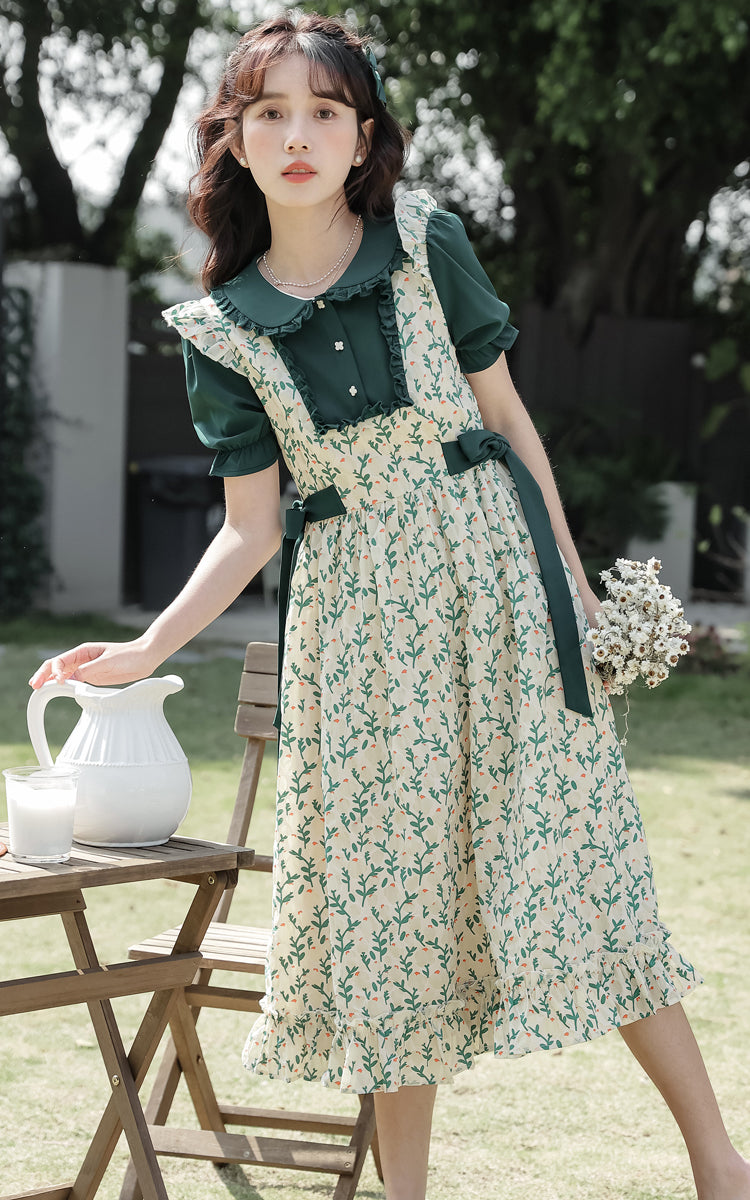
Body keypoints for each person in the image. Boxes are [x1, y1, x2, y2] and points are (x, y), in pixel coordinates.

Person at [30, 13, 748, 1200]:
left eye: (324, 112)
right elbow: (252, 529)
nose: (299, 135)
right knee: (388, 910)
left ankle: (719, 1161)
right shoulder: (220, 329)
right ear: (237, 142)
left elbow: (509, 422)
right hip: (358, 637)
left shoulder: (427, 241)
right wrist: (148, 645)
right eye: (271, 114)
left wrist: (567, 582)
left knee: (582, 861)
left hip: (498, 595)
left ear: (364, 135)